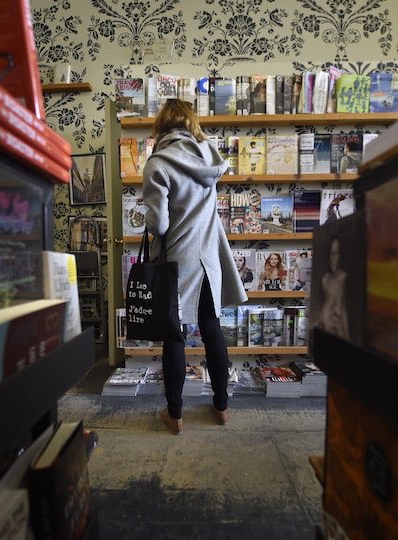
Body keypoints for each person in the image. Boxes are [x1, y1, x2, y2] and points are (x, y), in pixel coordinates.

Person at [142, 99, 247, 435]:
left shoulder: (157, 164)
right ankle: (221, 406)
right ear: (190, 124)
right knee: (212, 330)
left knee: (176, 336)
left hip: (178, 260)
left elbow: (158, 225)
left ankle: (175, 415)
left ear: (161, 126)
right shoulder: (209, 158)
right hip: (209, 258)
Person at [320, 236, 349, 339]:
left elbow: (344, 308)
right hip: (327, 322)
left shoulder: (343, 277)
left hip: (339, 323)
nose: (333, 258)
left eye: (336, 253)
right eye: (331, 253)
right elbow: (325, 304)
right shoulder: (325, 279)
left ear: (341, 255)